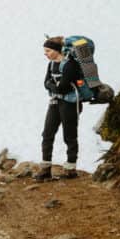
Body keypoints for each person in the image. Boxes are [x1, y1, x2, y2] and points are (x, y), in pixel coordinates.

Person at [38, 36, 82, 179]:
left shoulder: (70, 65)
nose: (46, 54)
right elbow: (46, 83)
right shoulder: (51, 65)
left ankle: (70, 169)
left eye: (48, 50)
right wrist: (53, 85)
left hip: (70, 102)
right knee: (47, 134)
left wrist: (52, 85)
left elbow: (62, 88)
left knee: (69, 135)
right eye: (45, 51)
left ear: (57, 50)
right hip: (56, 101)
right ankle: (45, 169)